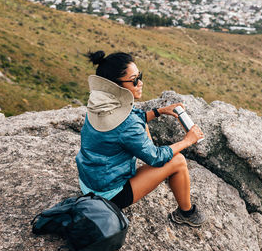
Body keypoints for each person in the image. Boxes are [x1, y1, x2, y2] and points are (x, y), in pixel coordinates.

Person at [75, 51, 207, 227]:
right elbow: (156, 157)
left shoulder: (99, 103)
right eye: (135, 79)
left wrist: (159, 111)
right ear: (117, 85)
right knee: (178, 160)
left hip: (88, 183)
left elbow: (130, 120)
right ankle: (186, 214)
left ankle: (163, 178)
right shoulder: (128, 125)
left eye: (140, 76)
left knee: (143, 128)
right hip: (109, 195)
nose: (141, 83)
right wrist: (188, 140)